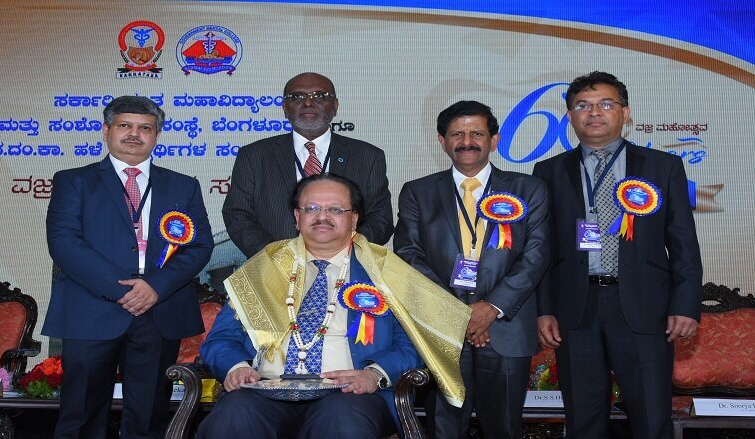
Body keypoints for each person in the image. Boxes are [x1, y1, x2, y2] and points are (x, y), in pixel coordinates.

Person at [199, 174, 470, 439]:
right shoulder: (261, 269)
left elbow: (412, 344)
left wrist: (374, 374)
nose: (322, 216)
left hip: (350, 394)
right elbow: (220, 340)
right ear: (297, 217)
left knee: (342, 422)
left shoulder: (385, 271)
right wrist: (236, 368)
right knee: (233, 416)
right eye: (312, 208)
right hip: (264, 390)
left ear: (354, 218)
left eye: (335, 209)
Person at [532, 71, 702, 439]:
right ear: (570, 115)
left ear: (625, 113)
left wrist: (686, 305)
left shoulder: (662, 166)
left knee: (650, 417)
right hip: (575, 310)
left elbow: (684, 242)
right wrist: (543, 308)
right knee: (583, 419)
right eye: (583, 106)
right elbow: (542, 249)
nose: (594, 113)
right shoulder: (548, 171)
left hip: (645, 307)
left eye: (606, 104)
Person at [43, 96, 214, 438]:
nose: (134, 135)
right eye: (125, 126)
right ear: (106, 131)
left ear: (157, 135)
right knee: (81, 415)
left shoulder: (184, 186)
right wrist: (126, 291)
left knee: (149, 416)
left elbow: (199, 246)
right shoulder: (73, 181)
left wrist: (154, 288)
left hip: (158, 310)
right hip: (92, 309)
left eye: (145, 128)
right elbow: (64, 243)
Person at [394, 101, 551, 439]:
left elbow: (536, 255)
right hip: (443, 329)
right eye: (457, 134)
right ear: (442, 140)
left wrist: (490, 308)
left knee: (505, 427)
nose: (467, 141)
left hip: (506, 327)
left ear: (494, 139)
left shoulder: (529, 189)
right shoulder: (417, 192)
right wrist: (458, 313)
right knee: (444, 426)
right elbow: (408, 254)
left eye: (477, 133)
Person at [222, 72, 394, 258]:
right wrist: (277, 257)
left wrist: (345, 253)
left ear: (335, 106)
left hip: (347, 272)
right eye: (297, 97)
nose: (309, 103)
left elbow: (380, 219)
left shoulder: (367, 156)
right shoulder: (254, 155)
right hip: (275, 271)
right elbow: (237, 215)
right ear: (285, 108)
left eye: (320, 96)